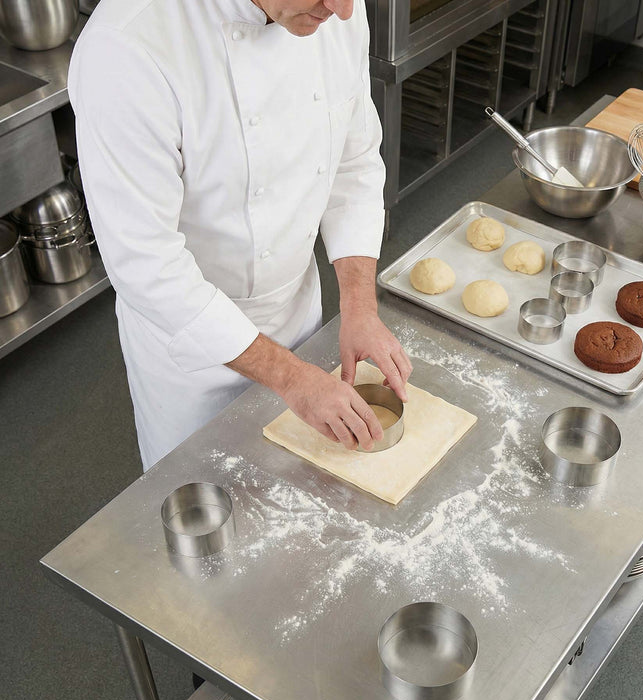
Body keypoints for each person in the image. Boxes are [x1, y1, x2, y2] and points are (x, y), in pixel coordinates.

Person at [68, 0, 412, 471]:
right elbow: (145, 261)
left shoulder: (334, 11)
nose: (344, 11)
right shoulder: (127, 48)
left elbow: (353, 163)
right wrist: (290, 377)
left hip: (297, 313)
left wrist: (358, 306)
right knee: (215, 511)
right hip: (193, 353)